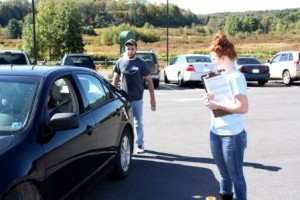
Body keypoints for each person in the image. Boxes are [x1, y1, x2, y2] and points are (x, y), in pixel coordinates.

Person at [203, 32, 248, 200]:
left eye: (214, 58)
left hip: (232, 135)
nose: (213, 62)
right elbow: (221, 102)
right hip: (216, 131)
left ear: (222, 57)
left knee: (236, 177)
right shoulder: (221, 76)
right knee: (224, 175)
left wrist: (218, 105)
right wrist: (210, 100)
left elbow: (243, 107)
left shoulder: (236, 77)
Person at [112, 39, 156, 154]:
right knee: (123, 123)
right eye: (128, 48)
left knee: (138, 123)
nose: (130, 51)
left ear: (136, 49)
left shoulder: (141, 64)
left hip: (137, 99)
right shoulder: (120, 62)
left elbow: (149, 81)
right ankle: (124, 145)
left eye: (132, 48)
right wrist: (112, 95)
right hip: (124, 100)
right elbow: (116, 78)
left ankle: (140, 144)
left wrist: (152, 98)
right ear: (125, 49)